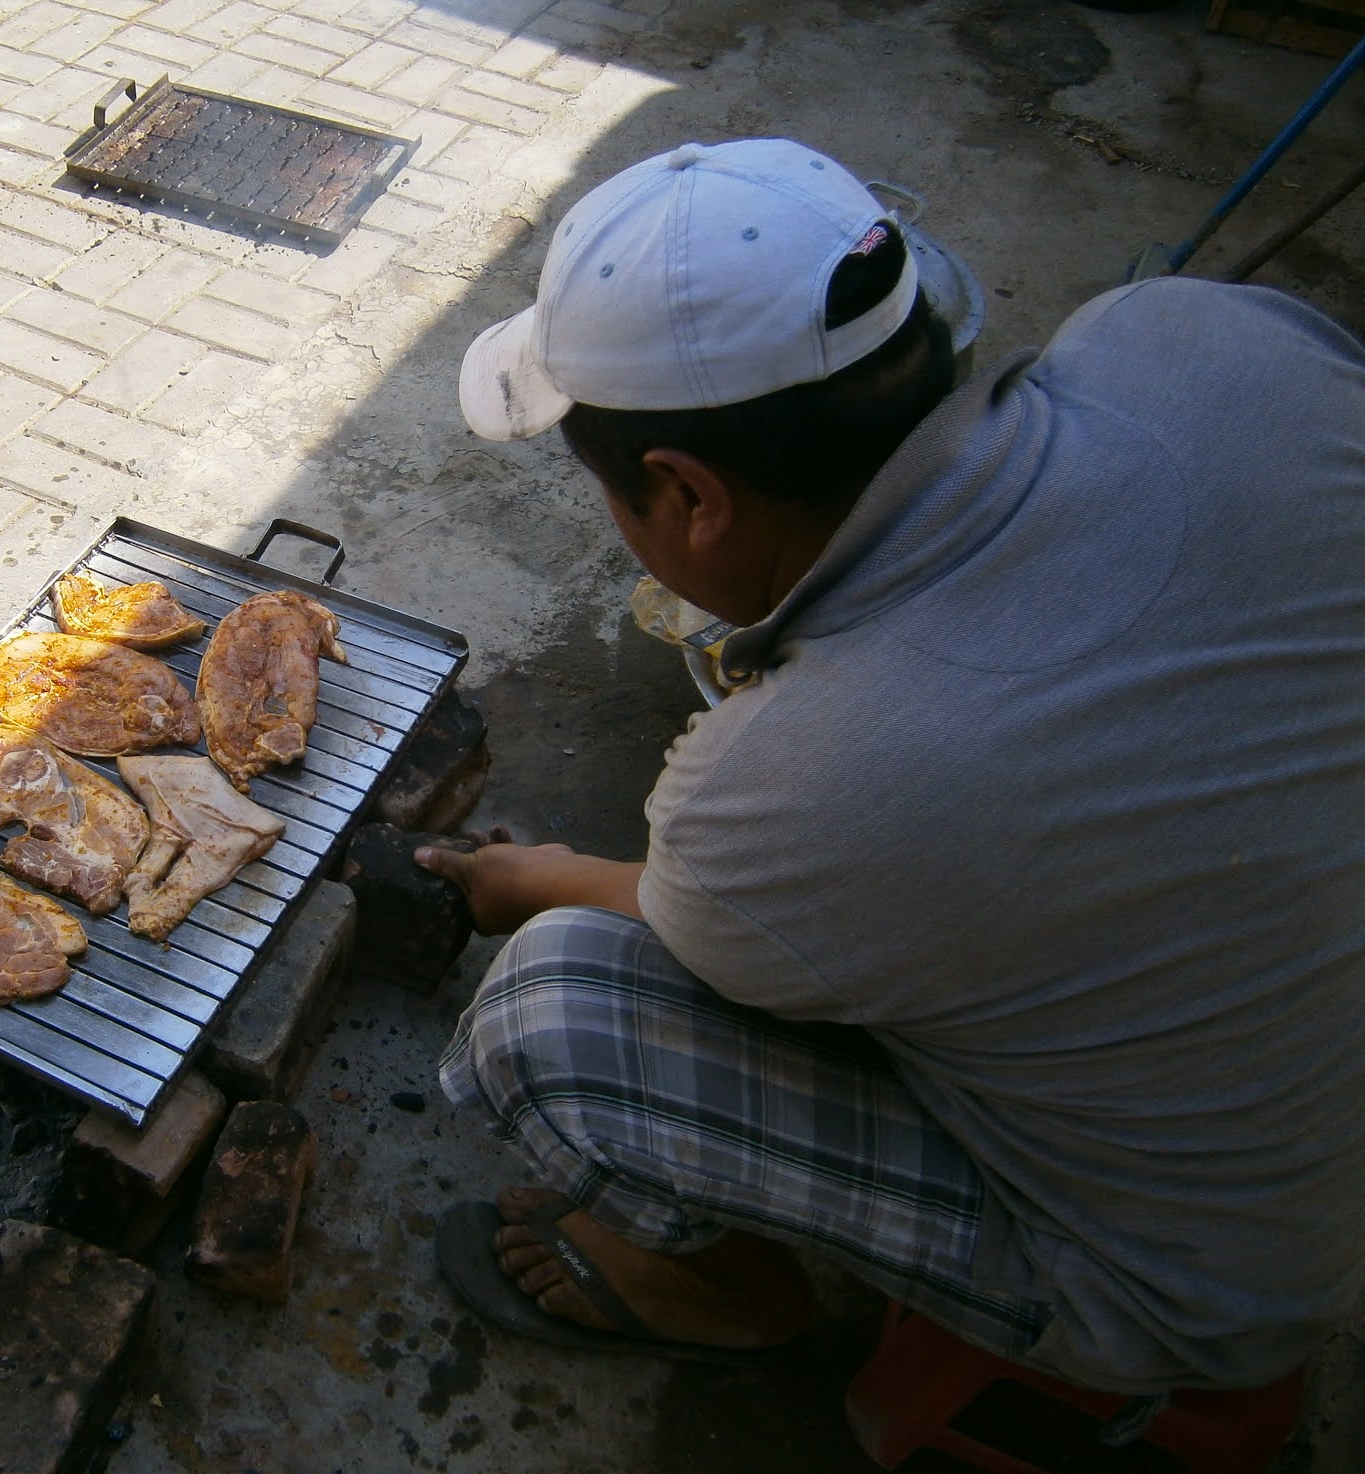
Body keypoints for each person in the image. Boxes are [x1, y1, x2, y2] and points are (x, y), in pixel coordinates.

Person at [419, 137, 1365, 1392]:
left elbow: (684, 916)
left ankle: (720, 1295)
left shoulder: (799, 786)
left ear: (686, 494)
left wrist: (530, 879)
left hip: (1204, 1279)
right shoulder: (1198, 334)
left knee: (549, 1014)